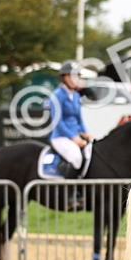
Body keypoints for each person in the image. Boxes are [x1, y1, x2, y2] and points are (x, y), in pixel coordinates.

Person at [47, 62, 92, 210]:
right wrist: (73, 137)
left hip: (76, 136)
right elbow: (57, 121)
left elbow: (79, 119)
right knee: (76, 156)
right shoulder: (57, 96)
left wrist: (85, 132)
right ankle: (70, 196)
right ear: (65, 77)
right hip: (60, 136)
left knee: (91, 154)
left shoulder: (76, 95)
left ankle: (84, 192)